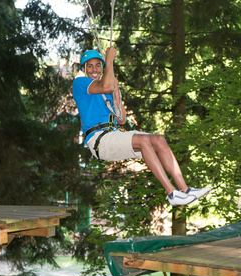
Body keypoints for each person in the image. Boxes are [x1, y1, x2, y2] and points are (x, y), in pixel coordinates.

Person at [72, 46, 211, 206]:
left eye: (98, 65)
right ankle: (172, 193)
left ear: (102, 68)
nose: (94, 69)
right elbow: (105, 86)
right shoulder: (80, 83)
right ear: (83, 69)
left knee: (158, 140)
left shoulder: (106, 89)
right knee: (144, 140)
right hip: (99, 140)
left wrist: (116, 93)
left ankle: (185, 190)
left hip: (112, 134)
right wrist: (109, 59)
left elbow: (122, 119)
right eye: (90, 66)